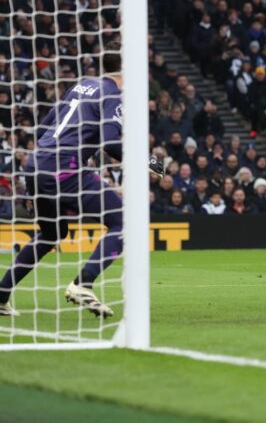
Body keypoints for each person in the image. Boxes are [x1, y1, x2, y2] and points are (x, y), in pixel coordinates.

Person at [0, 40, 163, 318]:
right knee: (124, 221)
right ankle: (83, 283)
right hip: (64, 168)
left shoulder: (83, 84)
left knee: (52, 234)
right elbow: (110, 142)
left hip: (37, 164)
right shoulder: (112, 94)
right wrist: (144, 158)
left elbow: (49, 119)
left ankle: (1, 295)